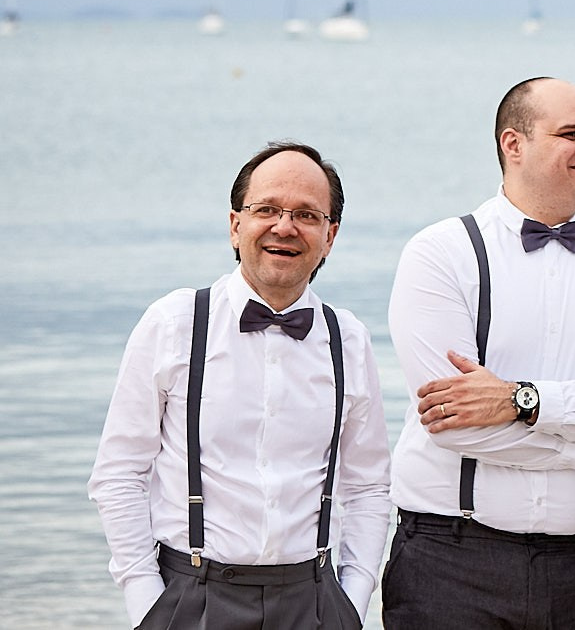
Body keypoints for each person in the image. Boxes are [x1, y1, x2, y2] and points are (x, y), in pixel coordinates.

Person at [381, 77, 575, 630]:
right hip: (451, 565)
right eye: (571, 133)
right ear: (512, 144)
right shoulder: (442, 253)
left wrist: (522, 400)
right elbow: (455, 423)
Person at [89, 141, 391, 629]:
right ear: (235, 225)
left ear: (329, 236)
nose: (285, 226)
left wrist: (352, 599)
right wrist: (148, 603)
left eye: (307, 215)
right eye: (266, 209)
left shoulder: (349, 338)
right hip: (191, 598)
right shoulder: (174, 323)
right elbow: (119, 473)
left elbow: (368, 485)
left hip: (314, 600)